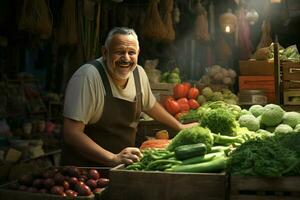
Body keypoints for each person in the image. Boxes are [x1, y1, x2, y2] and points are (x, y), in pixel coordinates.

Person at [61, 27, 198, 167]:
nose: (126, 58)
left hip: (120, 166)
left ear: (138, 53)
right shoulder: (88, 77)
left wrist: (180, 127)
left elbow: (151, 105)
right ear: (105, 52)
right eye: (120, 52)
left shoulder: (138, 73)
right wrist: (112, 158)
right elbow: (72, 134)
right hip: (85, 172)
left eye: (131, 52)